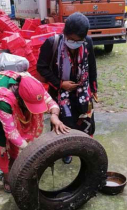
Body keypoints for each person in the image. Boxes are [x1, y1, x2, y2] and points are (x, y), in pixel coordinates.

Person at [0, 70, 70, 193]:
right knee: (0, 141)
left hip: (13, 96)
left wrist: (55, 117)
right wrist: (31, 149)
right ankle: (7, 176)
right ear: (20, 98)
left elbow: (51, 103)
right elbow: (11, 132)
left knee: (19, 133)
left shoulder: (33, 86)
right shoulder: (3, 101)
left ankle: (14, 159)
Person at [37, 12, 98, 163]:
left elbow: (92, 67)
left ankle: (85, 147)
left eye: (78, 41)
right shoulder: (52, 43)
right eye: (71, 40)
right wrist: (59, 83)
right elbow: (42, 67)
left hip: (82, 92)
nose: (74, 44)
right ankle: (65, 151)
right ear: (65, 33)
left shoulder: (88, 42)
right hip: (60, 93)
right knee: (63, 124)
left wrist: (94, 87)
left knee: (86, 121)